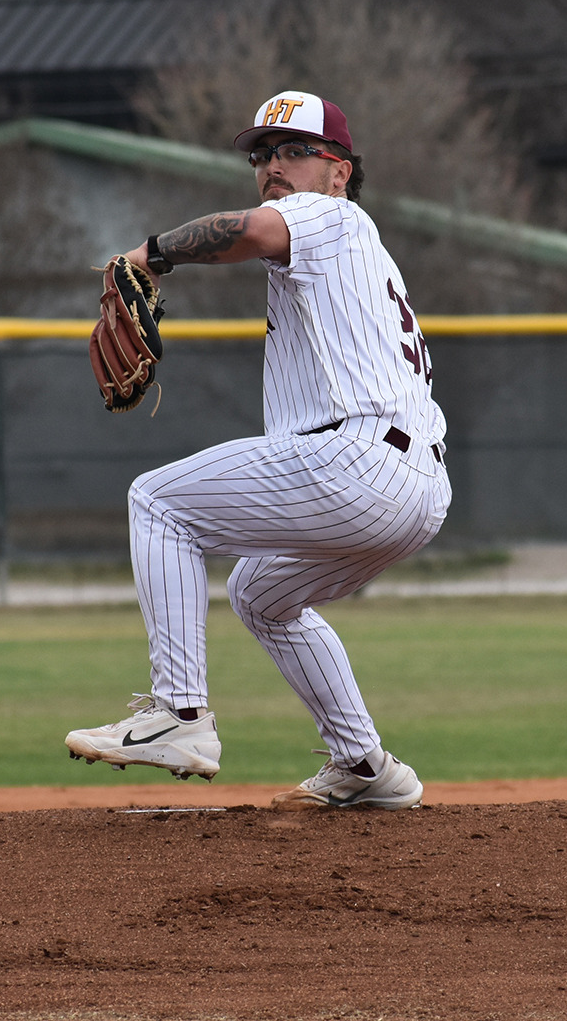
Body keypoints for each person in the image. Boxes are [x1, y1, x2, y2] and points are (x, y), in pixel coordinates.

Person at [62, 91, 450, 811]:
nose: (274, 166)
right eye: (262, 154)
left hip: (358, 460)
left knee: (158, 502)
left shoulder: (327, 215)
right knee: (260, 594)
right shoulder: (348, 252)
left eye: (296, 151)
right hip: (415, 487)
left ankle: (178, 717)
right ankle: (365, 765)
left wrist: (147, 256)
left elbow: (247, 230)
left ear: (340, 171)